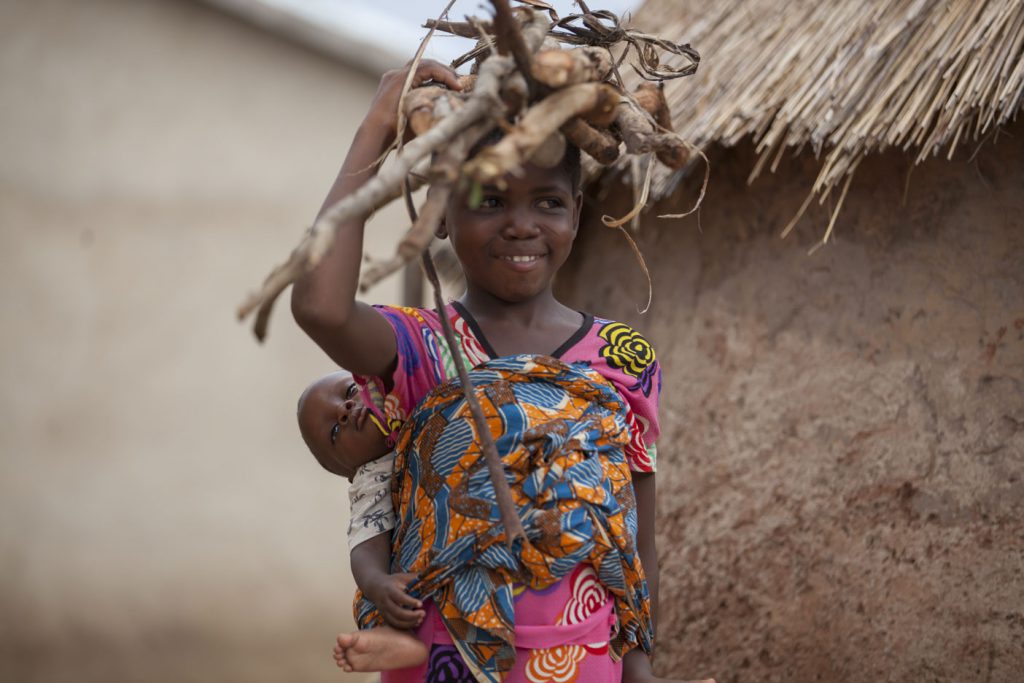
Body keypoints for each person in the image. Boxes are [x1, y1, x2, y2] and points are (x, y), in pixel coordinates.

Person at [291, 59, 713, 683]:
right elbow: (319, 307)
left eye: (547, 202)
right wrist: (376, 130)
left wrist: (640, 661)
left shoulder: (624, 357)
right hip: (441, 659)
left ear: (574, 214)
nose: (522, 224)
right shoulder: (420, 348)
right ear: (444, 218)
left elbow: (633, 531)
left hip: (585, 659)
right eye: (489, 201)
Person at [296, 370, 429, 672]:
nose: (344, 411)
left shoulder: (417, 401)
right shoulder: (372, 474)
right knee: (372, 598)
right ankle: (395, 637)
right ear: (348, 470)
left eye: (349, 391)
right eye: (333, 433)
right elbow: (366, 544)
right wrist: (377, 583)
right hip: (414, 580)